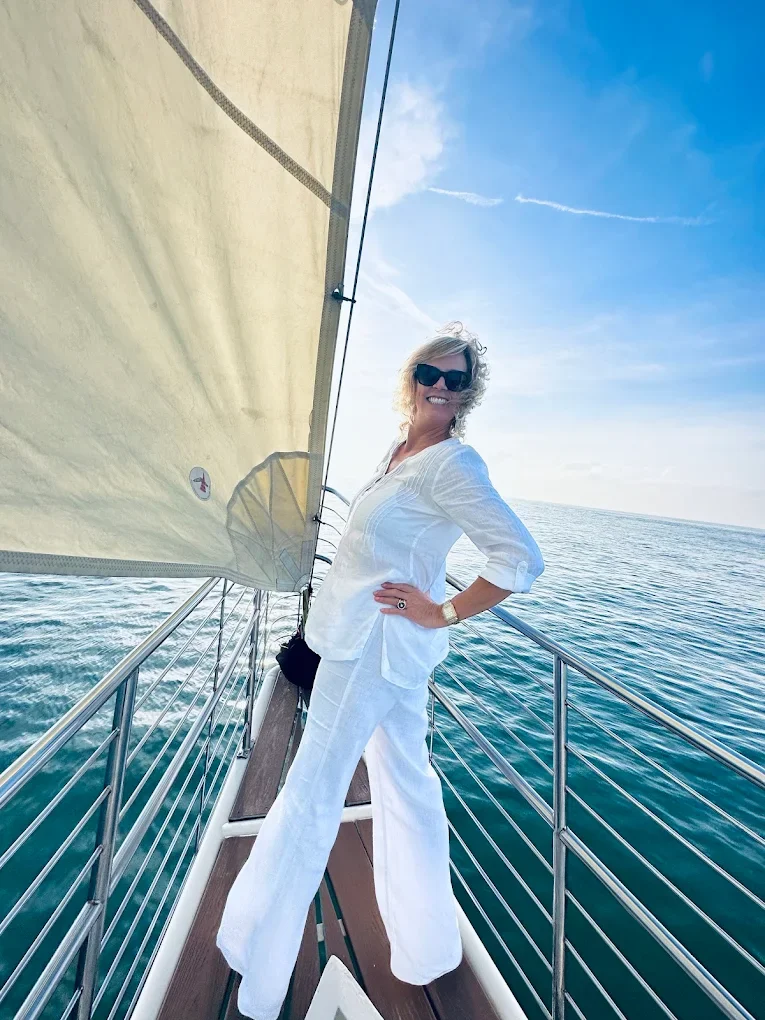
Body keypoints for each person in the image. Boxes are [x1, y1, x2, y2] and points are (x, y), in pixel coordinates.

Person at [216, 321, 545, 1019]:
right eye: (430, 372)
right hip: (373, 646)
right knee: (406, 784)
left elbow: (519, 558)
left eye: (455, 379)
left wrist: (444, 611)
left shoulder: (453, 465)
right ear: (411, 378)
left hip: (373, 651)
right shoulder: (400, 451)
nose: (440, 386)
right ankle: (427, 948)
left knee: (311, 796)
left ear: (467, 394)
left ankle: (258, 969)